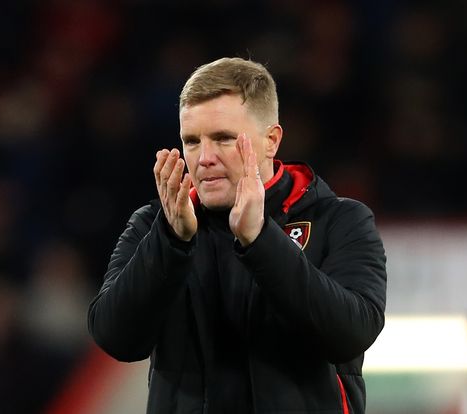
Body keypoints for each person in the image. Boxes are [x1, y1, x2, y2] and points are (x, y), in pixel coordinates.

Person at [87, 57, 387, 413]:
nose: (204, 158)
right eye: (192, 141)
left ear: (271, 141)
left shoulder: (339, 220)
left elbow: (351, 334)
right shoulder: (155, 225)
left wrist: (260, 240)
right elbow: (116, 338)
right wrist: (171, 241)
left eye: (223, 138)